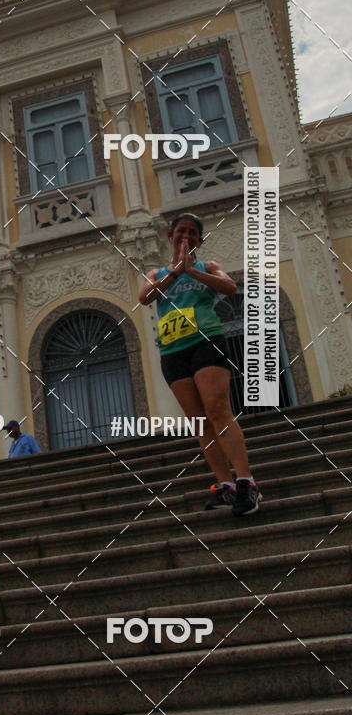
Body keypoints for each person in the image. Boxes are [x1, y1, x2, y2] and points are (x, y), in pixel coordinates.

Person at [138, 212, 261, 516]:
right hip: (172, 349)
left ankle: (247, 481)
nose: (186, 236)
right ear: (170, 236)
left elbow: (230, 287)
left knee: (217, 407)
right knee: (199, 421)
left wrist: (192, 271)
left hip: (206, 340)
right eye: (181, 231)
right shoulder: (157, 272)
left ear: (200, 240)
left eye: (193, 233)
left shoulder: (209, 267)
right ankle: (226, 486)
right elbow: (145, 297)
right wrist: (177, 272)